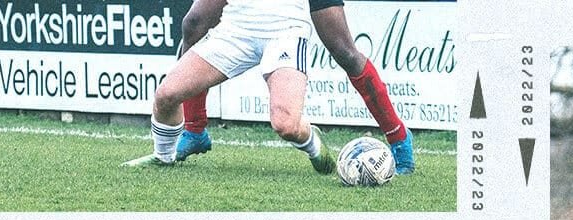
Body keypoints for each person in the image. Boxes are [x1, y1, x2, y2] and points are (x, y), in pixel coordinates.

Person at [156, 0, 418, 174]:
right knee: (194, 23)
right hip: (243, 19)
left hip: (286, 21)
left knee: (344, 51)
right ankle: (194, 131)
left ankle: (398, 137)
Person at [124, 0, 336, 173]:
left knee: (286, 125)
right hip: (235, 29)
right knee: (166, 96)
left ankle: (312, 142)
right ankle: (163, 156)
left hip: (285, 30)